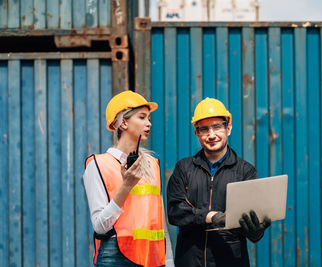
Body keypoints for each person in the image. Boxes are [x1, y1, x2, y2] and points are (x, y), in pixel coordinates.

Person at [166, 97, 271, 267]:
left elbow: (251, 230)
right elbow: (175, 212)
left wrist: (256, 230)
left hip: (230, 261)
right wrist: (210, 217)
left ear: (228, 128)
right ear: (196, 133)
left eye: (217, 127)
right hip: (190, 261)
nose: (211, 135)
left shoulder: (245, 172)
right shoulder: (184, 169)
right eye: (204, 129)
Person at [83, 91, 174, 267]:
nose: (149, 123)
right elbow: (100, 226)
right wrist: (126, 186)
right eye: (142, 117)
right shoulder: (98, 165)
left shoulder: (152, 164)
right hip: (115, 255)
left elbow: (160, 223)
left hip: (151, 256)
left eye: (149, 118)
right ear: (123, 122)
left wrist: (168, 262)